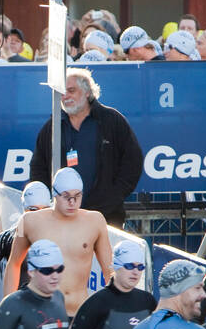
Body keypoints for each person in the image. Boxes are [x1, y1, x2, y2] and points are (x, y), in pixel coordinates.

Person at [27, 68, 142, 228]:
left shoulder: (111, 121)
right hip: (63, 218)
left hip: (105, 217)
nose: (65, 96)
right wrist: (49, 202)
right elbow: (38, 167)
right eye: (62, 92)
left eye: (71, 90)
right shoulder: (52, 127)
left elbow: (133, 163)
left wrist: (113, 197)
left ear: (87, 92)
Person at [5, 167, 112, 317]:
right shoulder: (27, 221)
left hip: (79, 313)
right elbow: (13, 264)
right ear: (55, 194)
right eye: (66, 196)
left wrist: (114, 308)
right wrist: (8, 309)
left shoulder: (95, 221)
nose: (72, 202)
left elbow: (110, 271)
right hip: (40, 313)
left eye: (77, 196)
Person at [0, 181, 51, 294]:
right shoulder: (6, 238)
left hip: (50, 307)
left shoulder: (60, 235)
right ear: (24, 209)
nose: (39, 214)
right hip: (18, 307)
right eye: (33, 209)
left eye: (45, 209)